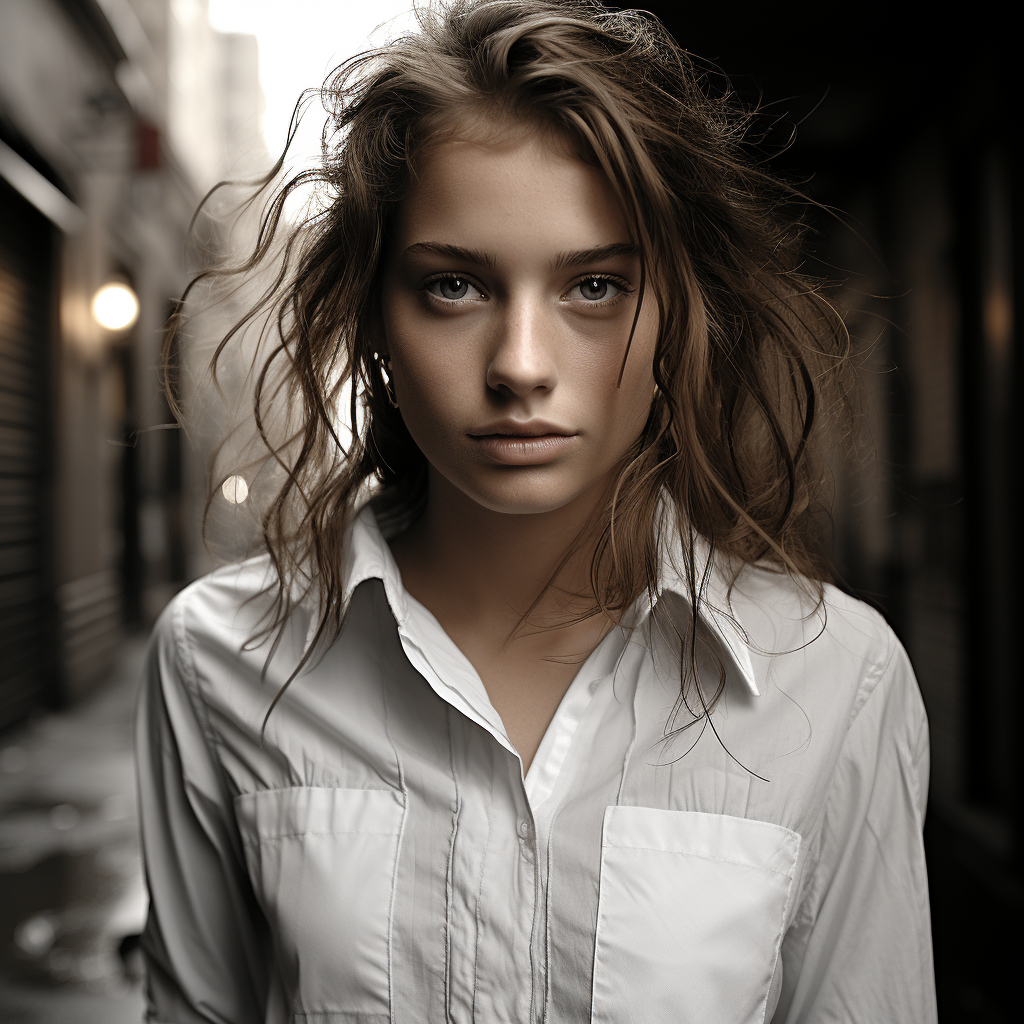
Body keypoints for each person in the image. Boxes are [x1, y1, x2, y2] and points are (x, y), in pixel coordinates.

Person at [136, 1, 937, 1021]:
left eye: (594, 285)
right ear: (376, 314)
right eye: (454, 287)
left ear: (678, 314)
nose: (520, 364)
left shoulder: (834, 683)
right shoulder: (219, 665)